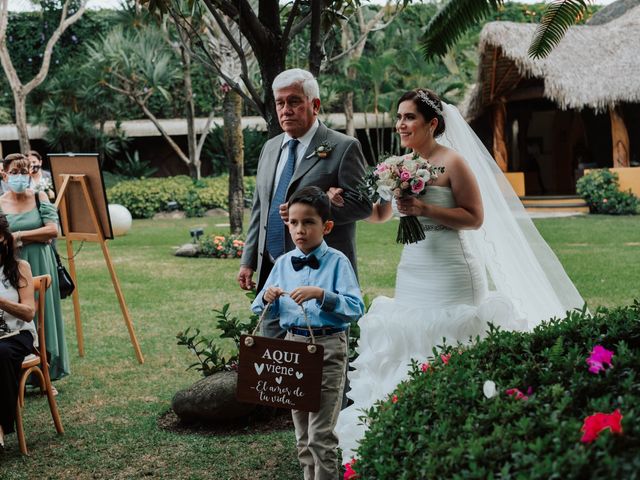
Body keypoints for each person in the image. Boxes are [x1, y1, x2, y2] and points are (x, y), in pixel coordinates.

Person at [335, 89, 585, 463]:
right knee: (409, 344)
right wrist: (342, 205)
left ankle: (461, 437)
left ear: (431, 123)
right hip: (413, 271)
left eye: (409, 117)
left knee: (450, 340)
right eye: (399, 117)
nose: (400, 124)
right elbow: (381, 215)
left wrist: (422, 208)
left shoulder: (454, 163)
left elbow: (475, 217)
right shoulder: (397, 164)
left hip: (452, 270)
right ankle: (405, 442)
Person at [238, 68, 372, 338]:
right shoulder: (271, 147)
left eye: (294, 101)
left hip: (321, 276)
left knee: (318, 365)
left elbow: (364, 204)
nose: (285, 109)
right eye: (280, 102)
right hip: (274, 273)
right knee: (274, 360)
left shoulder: (343, 146)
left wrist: (315, 207)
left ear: (315, 105)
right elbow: (259, 209)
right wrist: (248, 259)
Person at [251, 186, 365, 480]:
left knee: (320, 434)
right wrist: (268, 298)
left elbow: (355, 308)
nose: (300, 230)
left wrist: (322, 295)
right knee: (302, 435)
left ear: (326, 226)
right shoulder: (283, 264)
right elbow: (259, 306)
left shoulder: (338, 261)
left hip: (328, 348)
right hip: (293, 350)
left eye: (309, 222)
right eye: (294, 223)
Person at [0, 153, 69, 382]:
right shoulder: (0, 203)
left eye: (24, 172)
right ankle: (19, 373)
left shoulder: (39, 198)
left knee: (43, 317)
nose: (20, 176)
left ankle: (46, 374)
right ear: (4, 175)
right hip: (12, 266)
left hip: (40, 262)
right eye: (15, 172)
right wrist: (34, 236)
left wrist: (17, 235)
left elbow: (52, 231)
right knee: (18, 315)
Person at [0, 214, 36, 450]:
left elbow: (28, 312)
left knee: (0, 354)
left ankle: (0, 429)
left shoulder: (19, 268)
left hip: (17, 334)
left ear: (2, 237)